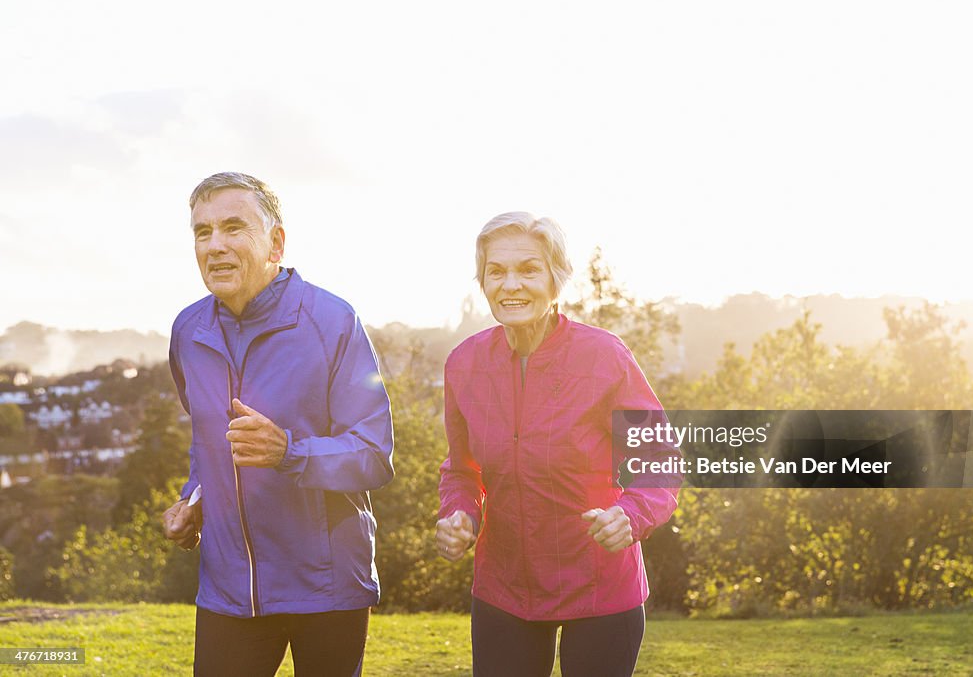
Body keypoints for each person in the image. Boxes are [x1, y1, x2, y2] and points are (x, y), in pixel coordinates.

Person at [161, 172, 394, 676]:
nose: (215, 245)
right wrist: (193, 499)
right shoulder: (188, 331)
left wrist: (289, 452)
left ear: (276, 242)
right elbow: (207, 444)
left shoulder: (332, 321)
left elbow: (374, 455)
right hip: (228, 590)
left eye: (233, 227)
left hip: (327, 588)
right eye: (203, 232)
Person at [435, 212, 680, 676]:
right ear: (482, 281)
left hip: (600, 586)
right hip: (504, 587)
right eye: (496, 271)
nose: (511, 285)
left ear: (556, 279)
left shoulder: (604, 356)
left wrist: (631, 514)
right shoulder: (463, 364)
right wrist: (459, 513)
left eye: (529, 269)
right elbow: (462, 470)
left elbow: (659, 458)